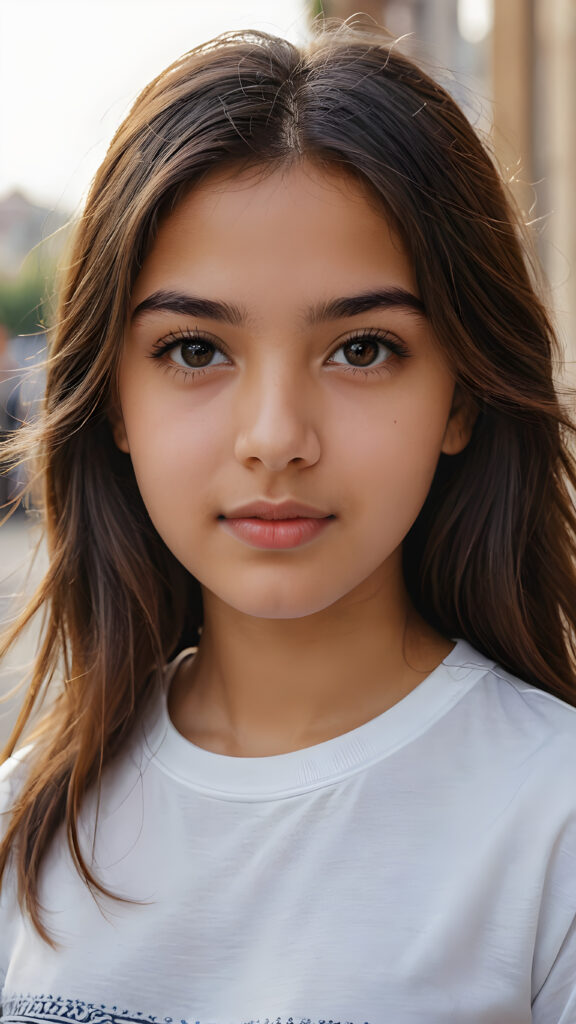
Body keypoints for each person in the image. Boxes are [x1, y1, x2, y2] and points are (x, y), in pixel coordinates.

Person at [1, 22, 575, 1024]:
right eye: (192, 350)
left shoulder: (552, 828)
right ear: (115, 405)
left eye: (361, 348)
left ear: (462, 398)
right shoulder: (23, 825)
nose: (275, 438)